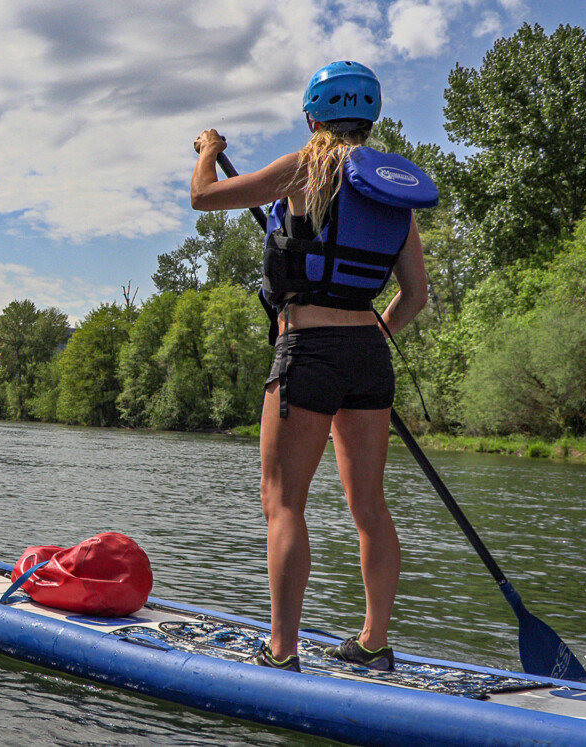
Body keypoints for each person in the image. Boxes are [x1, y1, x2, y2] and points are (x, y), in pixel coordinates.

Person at [189, 61, 431, 674]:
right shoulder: (395, 193)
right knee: (370, 506)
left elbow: (202, 198)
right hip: (369, 357)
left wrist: (209, 151)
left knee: (284, 504)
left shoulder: (304, 167)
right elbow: (415, 296)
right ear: (369, 118)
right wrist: (374, 331)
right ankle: (374, 643)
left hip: (309, 354)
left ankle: (282, 651)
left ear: (311, 116)